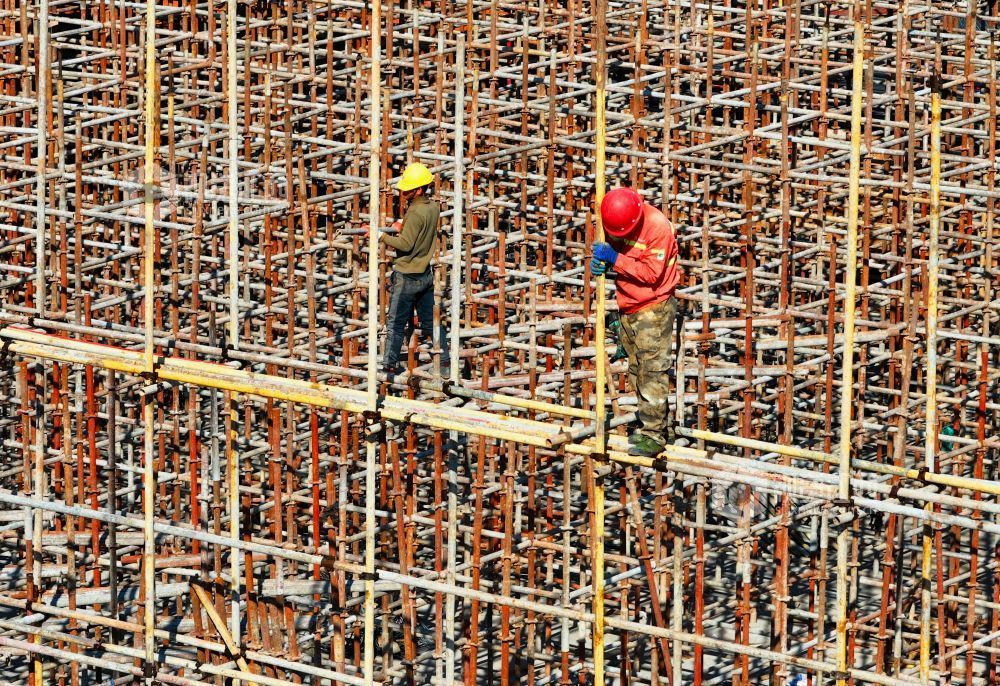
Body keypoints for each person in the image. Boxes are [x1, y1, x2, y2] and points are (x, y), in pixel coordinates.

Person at [590, 187, 681, 457]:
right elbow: (626, 261)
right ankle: (658, 424)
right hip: (628, 303)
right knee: (636, 368)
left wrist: (614, 260)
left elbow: (651, 274)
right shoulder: (615, 223)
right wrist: (607, 266)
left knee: (652, 370)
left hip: (654, 306)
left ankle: (654, 435)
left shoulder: (657, 228)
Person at [377, 161, 450, 377]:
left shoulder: (416, 212)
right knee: (431, 322)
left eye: (407, 189)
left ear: (419, 189)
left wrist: (381, 236)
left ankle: (389, 365)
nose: (403, 191)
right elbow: (417, 232)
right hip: (424, 276)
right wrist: (403, 226)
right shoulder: (432, 208)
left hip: (406, 277)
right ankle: (444, 361)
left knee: (395, 323)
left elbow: (406, 244)